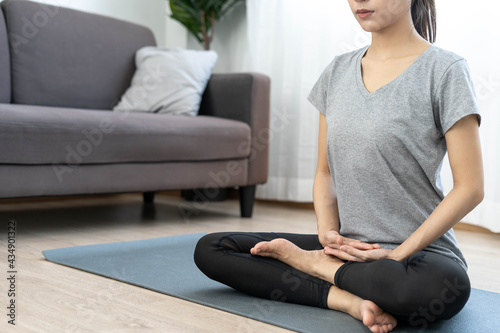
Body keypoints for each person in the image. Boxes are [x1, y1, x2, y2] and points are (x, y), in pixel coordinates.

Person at [194, 0, 484, 332]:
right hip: (348, 249)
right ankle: (345, 298)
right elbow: (325, 172)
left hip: (419, 258)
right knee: (212, 248)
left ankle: (315, 268)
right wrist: (328, 236)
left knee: (444, 288)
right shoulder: (337, 71)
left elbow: (471, 188)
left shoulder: (446, 70)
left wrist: (397, 254)